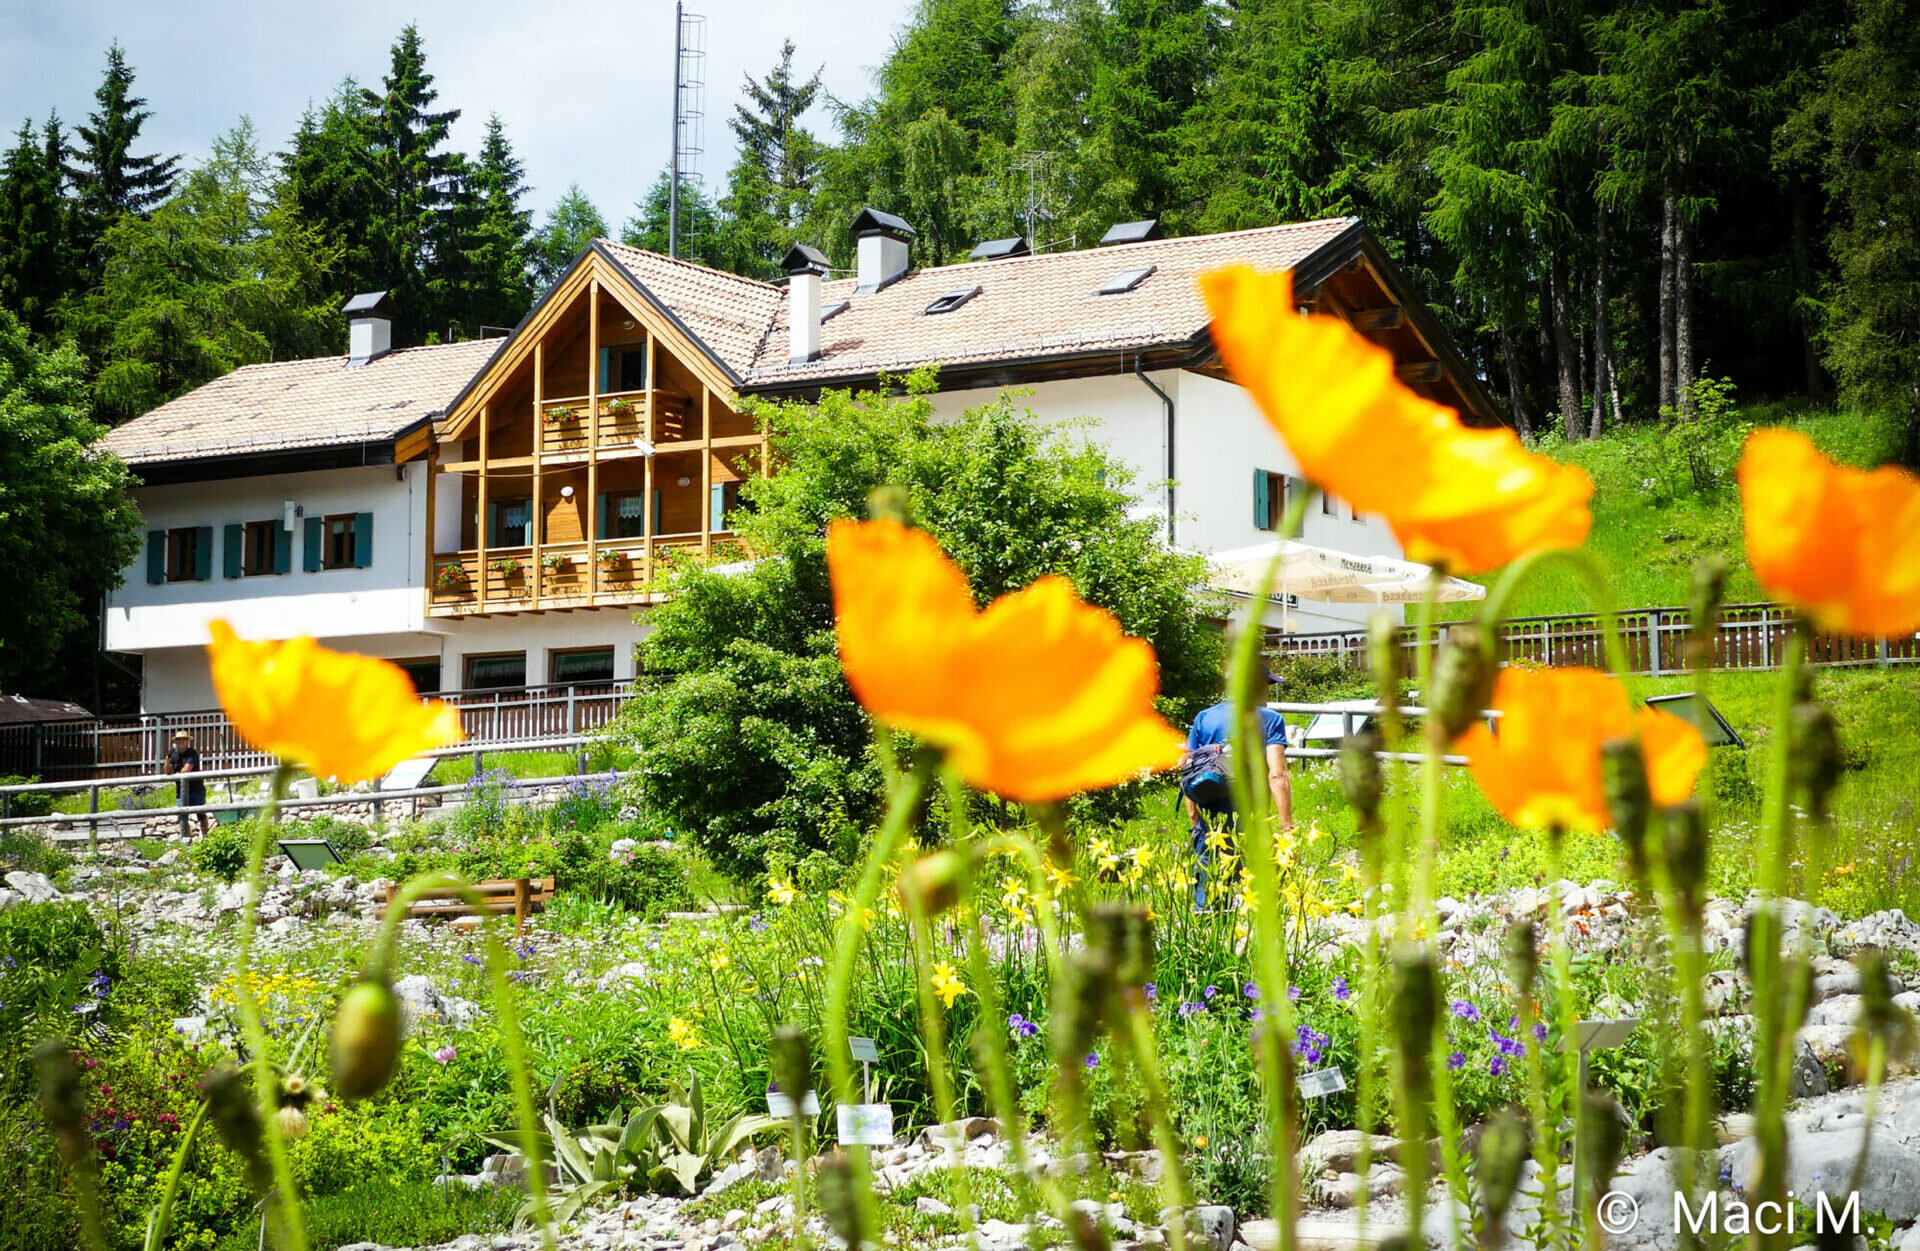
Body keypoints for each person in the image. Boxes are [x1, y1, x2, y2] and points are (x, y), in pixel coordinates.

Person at [1177, 672, 1293, 910]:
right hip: (1252, 819)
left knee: (1210, 900)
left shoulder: (1204, 717)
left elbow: (1188, 769)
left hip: (1209, 823)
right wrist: (1286, 828)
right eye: (1266, 685)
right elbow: (1277, 774)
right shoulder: (1270, 719)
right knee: (1262, 900)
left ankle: (1211, 939)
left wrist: (1195, 821)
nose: (1268, 692)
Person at [165, 729, 211, 836]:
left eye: (184, 739)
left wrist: (176, 774)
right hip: (181, 791)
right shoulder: (174, 754)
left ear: (187, 741)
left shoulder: (192, 753)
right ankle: (187, 838)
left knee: (201, 814)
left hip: (196, 790)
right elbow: (168, 771)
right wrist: (167, 759)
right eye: (179, 739)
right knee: (182, 816)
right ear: (176, 742)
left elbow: (187, 769)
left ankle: (206, 836)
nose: (181, 741)